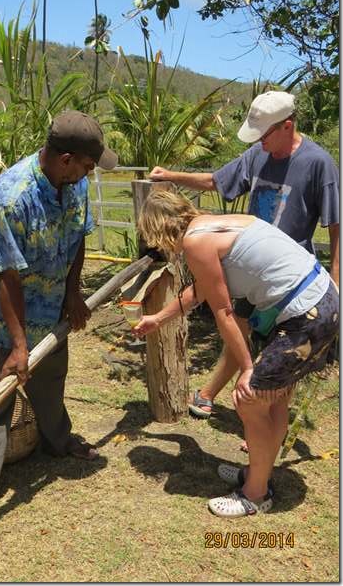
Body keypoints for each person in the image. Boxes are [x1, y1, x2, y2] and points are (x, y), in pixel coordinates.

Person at [0, 110, 118, 527]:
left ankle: (57, 442)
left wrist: (72, 291)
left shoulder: (73, 183)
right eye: (86, 164)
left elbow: (78, 236)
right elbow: (7, 277)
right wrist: (19, 344)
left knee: (51, 379)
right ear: (65, 159)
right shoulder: (9, 197)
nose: (89, 173)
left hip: (49, 302)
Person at [134, 189, 339, 516]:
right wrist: (159, 318)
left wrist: (246, 367)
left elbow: (224, 312)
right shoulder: (211, 226)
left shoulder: (194, 243)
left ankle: (254, 495)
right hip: (323, 300)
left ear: (158, 229)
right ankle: (259, 473)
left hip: (307, 315)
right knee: (276, 397)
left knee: (250, 397)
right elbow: (202, 288)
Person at [149, 91, 339, 418]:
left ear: (287, 126)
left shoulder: (318, 163)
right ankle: (222, 398)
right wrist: (170, 177)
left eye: (264, 135)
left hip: (287, 278)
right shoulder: (257, 154)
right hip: (247, 266)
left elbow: (336, 229)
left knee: (279, 350)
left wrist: (335, 283)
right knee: (237, 331)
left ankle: (261, 418)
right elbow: (215, 181)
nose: (259, 142)